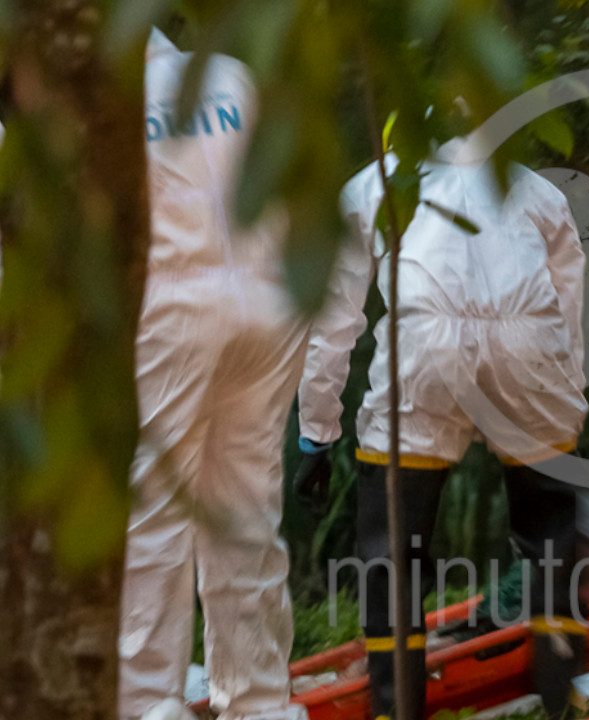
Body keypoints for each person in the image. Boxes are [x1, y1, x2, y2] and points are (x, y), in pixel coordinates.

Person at [293, 134, 589, 719]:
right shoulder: (535, 188)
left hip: (424, 349)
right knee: (553, 536)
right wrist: (566, 398)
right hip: (531, 348)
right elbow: (569, 299)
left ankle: (395, 710)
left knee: (391, 554)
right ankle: (565, 705)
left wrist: (317, 430)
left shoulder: (372, 184)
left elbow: (334, 317)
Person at [118, 29, 307, 720]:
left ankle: (145, 705)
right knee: (246, 517)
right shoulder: (229, 76)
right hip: (269, 305)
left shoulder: (98, 100)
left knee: (152, 522)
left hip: (171, 309)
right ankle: (260, 702)